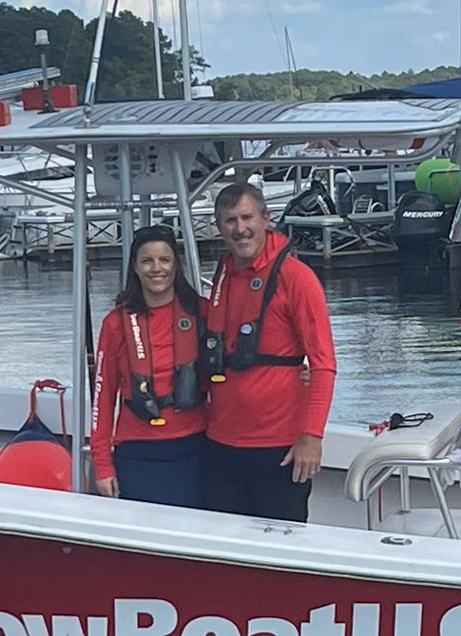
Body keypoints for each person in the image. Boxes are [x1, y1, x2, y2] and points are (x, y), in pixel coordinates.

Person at [200, 182, 336, 521]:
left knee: (280, 549)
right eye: (230, 220)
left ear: (265, 218)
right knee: (224, 549)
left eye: (247, 217)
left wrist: (311, 437)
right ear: (219, 227)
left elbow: (323, 364)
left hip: (279, 448)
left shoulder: (297, 279)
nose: (240, 229)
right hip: (222, 444)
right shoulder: (222, 275)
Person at [89, 226, 207, 507]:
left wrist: (300, 373)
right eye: (147, 261)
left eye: (164, 260)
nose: (157, 268)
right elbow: (102, 399)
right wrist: (102, 464)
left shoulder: (202, 312)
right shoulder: (115, 323)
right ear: (135, 267)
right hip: (137, 451)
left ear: (175, 264)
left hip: (195, 447)